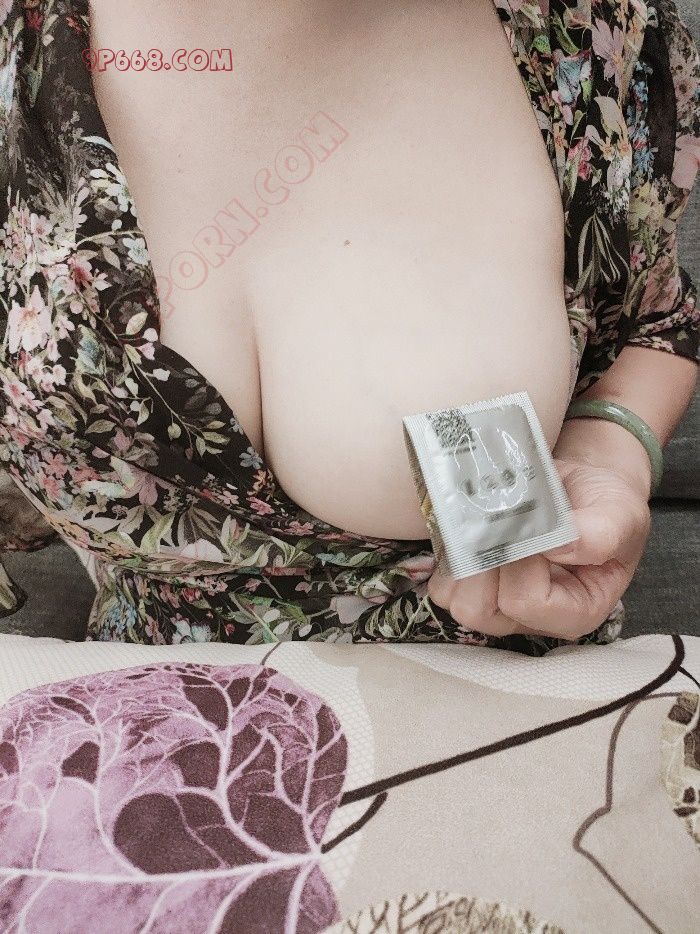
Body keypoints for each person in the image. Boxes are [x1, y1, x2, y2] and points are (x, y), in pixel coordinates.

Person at [0, 0, 698, 652]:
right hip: (130, 726)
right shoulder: (21, 55)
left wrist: (610, 450)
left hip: (507, 715)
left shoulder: (584, 35)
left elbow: (658, 313)